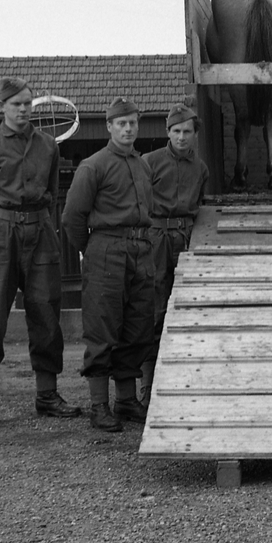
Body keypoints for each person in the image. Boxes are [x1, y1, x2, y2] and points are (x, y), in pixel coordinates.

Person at [0, 77, 81, 430]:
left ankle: (47, 395)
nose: (23, 109)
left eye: (28, 103)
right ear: (2, 107)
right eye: (16, 104)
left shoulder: (48, 145)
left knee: (46, 311)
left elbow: (52, 190)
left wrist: (38, 224)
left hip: (40, 231)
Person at [61, 97, 155, 432]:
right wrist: (95, 249)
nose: (128, 129)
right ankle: (99, 406)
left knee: (137, 326)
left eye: (132, 122)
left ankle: (126, 401)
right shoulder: (93, 165)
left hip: (140, 251)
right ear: (109, 127)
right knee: (103, 328)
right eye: (121, 123)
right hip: (106, 250)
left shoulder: (143, 166)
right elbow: (72, 218)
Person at [140, 101, 210, 405]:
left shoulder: (200, 168)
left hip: (186, 238)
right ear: (168, 132)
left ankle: (186, 384)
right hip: (156, 238)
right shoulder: (150, 162)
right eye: (176, 131)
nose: (182, 137)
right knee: (154, 311)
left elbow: (202, 206)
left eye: (187, 131)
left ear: (195, 134)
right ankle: (148, 389)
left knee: (186, 310)